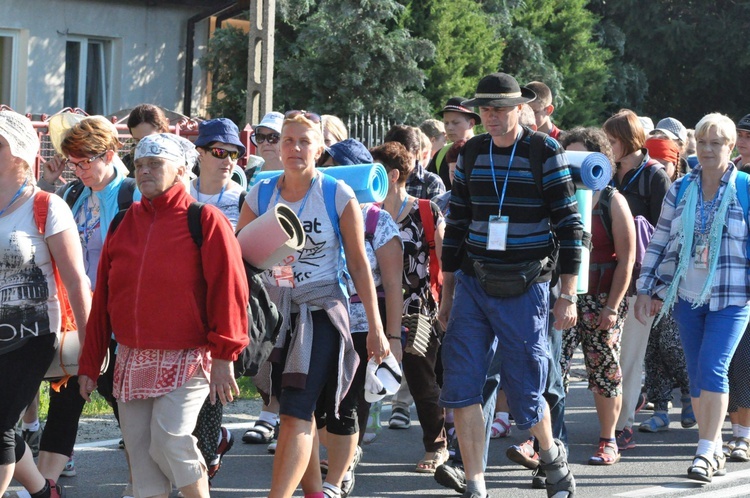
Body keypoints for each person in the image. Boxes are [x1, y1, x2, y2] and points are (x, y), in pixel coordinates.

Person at [78, 133, 249, 498]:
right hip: (131, 358)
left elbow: (230, 290)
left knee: (170, 440)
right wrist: (90, 364)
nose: (144, 171)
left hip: (189, 356)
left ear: (182, 170)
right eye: (139, 164)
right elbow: (104, 298)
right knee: (141, 460)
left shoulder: (205, 220)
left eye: (155, 164)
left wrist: (224, 355)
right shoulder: (123, 222)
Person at [438, 73, 582, 498]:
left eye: (500, 109)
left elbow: (570, 228)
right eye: (485, 110)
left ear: (521, 109)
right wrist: (447, 295)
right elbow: (458, 225)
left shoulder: (543, 150)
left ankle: (552, 458)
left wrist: (568, 294)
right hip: (474, 283)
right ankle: (476, 484)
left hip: (526, 286)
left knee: (525, 387)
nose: (491, 117)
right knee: (462, 383)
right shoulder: (472, 151)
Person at [236, 111, 387, 498]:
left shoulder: (337, 193)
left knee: (295, 411)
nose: (295, 148)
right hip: (273, 315)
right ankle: (316, 492)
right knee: (293, 408)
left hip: (319, 313)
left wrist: (376, 328)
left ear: (319, 150)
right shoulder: (261, 193)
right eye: (288, 141)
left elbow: (357, 265)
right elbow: (239, 258)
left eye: (305, 141)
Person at [634, 112, 750, 482]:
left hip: (732, 298)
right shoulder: (681, 188)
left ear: (731, 148)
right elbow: (660, 241)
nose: (709, 149)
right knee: (698, 373)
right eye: (702, 142)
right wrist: (645, 288)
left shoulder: (745, 187)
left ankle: (704, 450)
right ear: (693, 147)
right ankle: (712, 445)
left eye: (717, 143)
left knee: (714, 367)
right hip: (686, 295)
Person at [0, 110, 91, 498]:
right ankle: (42, 491)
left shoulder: (47, 207)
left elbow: (75, 282)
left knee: (0, 424)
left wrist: (90, 350)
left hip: (33, 334)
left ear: (20, 153)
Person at [315, 138, 403, 496]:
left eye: (336, 166)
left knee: (347, 404)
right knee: (317, 404)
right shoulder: (317, 210)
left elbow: (394, 287)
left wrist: (392, 338)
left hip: (362, 326)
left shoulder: (377, 221)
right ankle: (339, 456)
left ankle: (338, 475)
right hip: (318, 318)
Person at [558, 127, 635, 465]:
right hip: (562, 296)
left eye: (580, 158)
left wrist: (612, 308)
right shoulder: (556, 199)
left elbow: (627, 259)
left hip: (600, 298)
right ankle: (546, 439)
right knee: (552, 368)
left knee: (604, 371)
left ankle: (608, 440)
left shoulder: (612, 200)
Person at [371, 141, 448, 474]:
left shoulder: (426, 211)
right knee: (361, 372)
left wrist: (446, 309)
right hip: (373, 303)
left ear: (393, 174)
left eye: (375, 170)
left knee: (420, 376)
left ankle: (437, 444)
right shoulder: (366, 211)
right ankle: (348, 444)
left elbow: (446, 265)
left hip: (417, 306)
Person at [603, 109, 671, 451]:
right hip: (606, 279)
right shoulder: (605, 174)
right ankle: (613, 419)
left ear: (628, 142)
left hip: (639, 282)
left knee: (629, 356)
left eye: (611, 141)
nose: (607, 147)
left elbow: (667, 234)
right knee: (608, 357)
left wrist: (657, 288)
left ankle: (623, 423)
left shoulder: (654, 177)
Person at [189, 118, 250, 482]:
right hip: (182, 304)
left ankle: (208, 456)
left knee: (212, 390)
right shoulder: (179, 192)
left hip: (222, 307)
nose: (228, 160)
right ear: (200, 153)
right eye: (218, 151)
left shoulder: (243, 199)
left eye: (235, 154)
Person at [637, 136, 694, 434]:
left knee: (672, 345)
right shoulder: (652, 185)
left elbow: (677, 245)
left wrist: (662, 288)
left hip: (679, 286)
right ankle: (660, 409)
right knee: (652, 348)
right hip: (649, 279)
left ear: (676, 163)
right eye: (655, 161)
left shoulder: (686, 192)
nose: (660, 167)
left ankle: (690, 394)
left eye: (666, 162)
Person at [427, 97, 479, 189]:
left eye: (455, 123)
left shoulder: (484, 152)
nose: (449, 127)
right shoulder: (440, 155)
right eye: (446, 123)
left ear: (471, 123)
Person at [123, 104, 171, 177]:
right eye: (137, 140)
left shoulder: (183, 158)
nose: (143, 145)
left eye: (148, 139)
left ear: (163, 129)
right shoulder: (129, 162)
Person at [247, 112, 285, 189]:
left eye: (273, 137)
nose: (265, 143)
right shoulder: (248, 176)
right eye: (260, 137)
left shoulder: (297, 176)